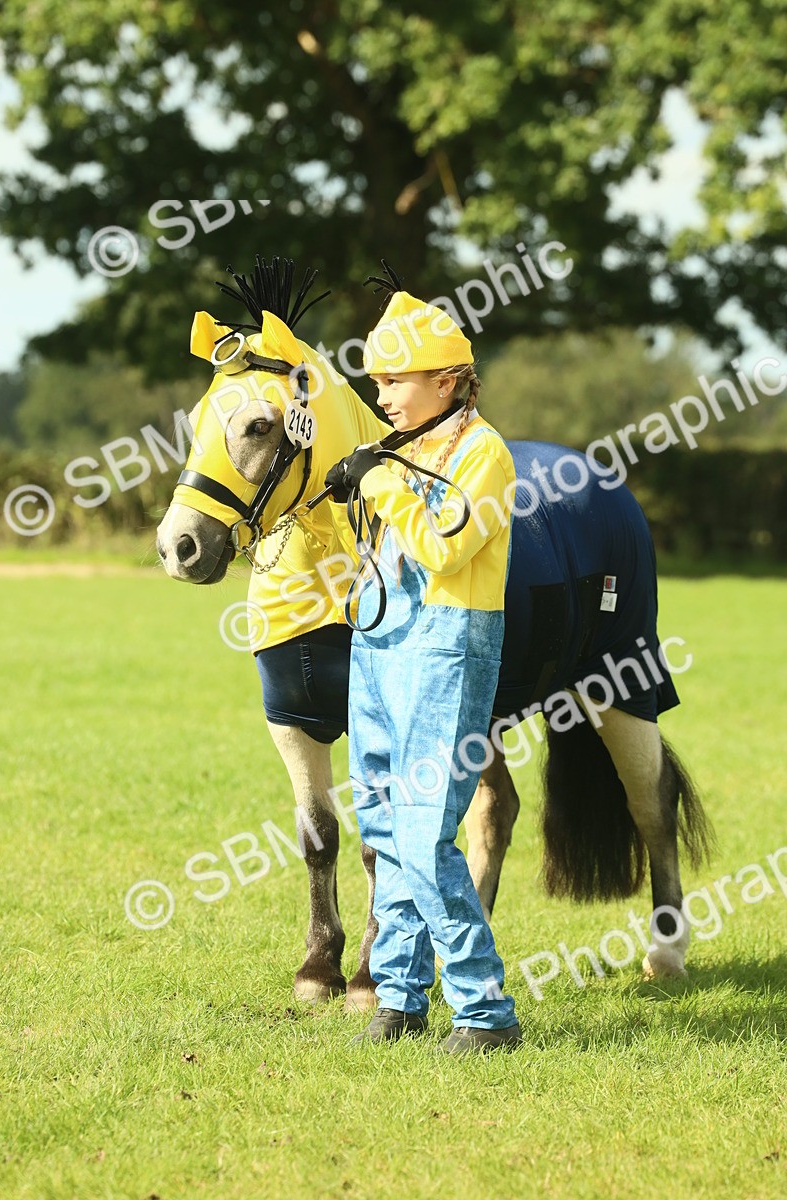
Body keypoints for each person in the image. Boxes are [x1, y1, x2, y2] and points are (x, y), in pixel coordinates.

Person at [324, 288, 522, 1054]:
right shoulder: (399, 448)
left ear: (449, 380)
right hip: (378, 639)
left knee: (422, 828)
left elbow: (446, 546)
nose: (384, 397)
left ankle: (484, 1012)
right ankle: (400, 998)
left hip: (447, 644)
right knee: (381, 820)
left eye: (396, 381)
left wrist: (378, 483)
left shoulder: (484, 453)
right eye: (376, 384)